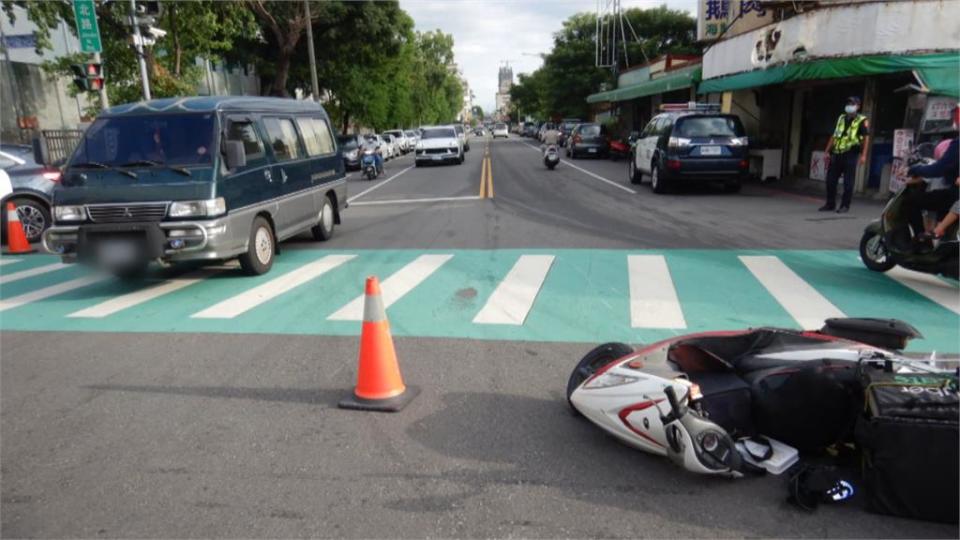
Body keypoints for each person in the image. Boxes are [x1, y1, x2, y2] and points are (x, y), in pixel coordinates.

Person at [905, 105, 959, 242]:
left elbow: (938, 169)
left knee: (910, 202)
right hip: (952, 191)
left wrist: (914, 170)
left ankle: (922, 240)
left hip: (954, 194)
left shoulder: (957, 145)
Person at [820, 97, 870, 213]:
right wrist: (826, 151)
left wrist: (864, 155)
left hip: (851, 154)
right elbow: (834, 135)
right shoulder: (841, 118)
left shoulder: (862, 120)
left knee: (848, 183)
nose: (849, 105)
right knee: (830, 180)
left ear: (858, 106)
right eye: (848, 103)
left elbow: (866, 139)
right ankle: (830, 204)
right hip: (837, 153)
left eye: (852, 103)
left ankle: (845, 206)